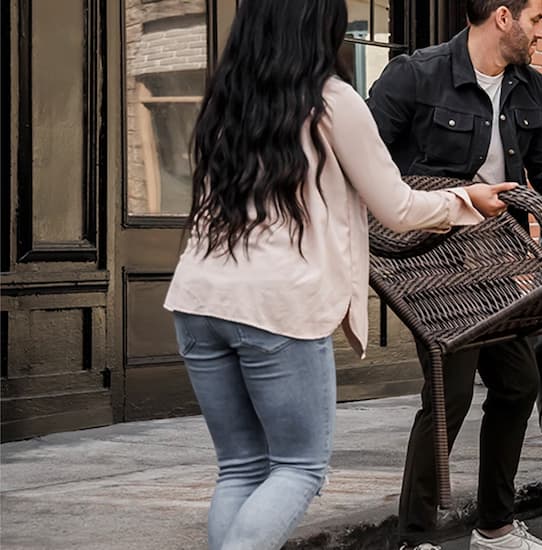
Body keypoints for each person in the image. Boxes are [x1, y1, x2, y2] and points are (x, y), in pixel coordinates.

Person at [163, 2, 514, 548]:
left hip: (197, 299)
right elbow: (397, 207)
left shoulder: (227, 97)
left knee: (240, 468)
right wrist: (466, 199)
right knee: (298, 468)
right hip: (276, 306)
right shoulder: (331, 100)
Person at [365, 1, 542, 548]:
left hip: (500, 259)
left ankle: (494, 528)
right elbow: (368, 167)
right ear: (503, 16)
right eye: (537, 19)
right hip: (433, 263)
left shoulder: (529, 87)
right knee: (449, 396)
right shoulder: (415, 76)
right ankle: (414, 538)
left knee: (519, 385)